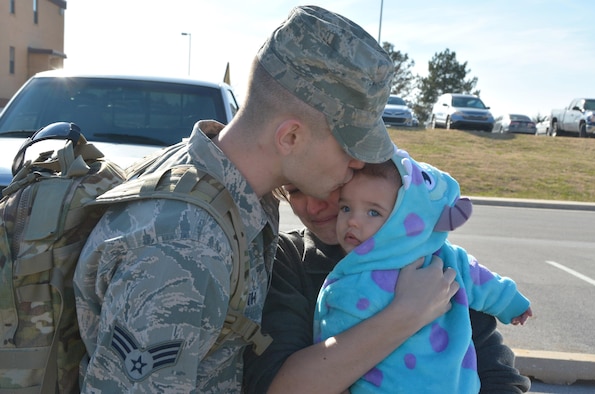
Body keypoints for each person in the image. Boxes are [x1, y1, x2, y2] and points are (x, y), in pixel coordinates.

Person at [73, 5, 402, 392]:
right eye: (350, 144)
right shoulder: (183, 248)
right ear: (290, 138)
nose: (358, 161)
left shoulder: (224, 184)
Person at [243, 170, 532, 394]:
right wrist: (407, 313)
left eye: (330, 185)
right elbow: (276, 385)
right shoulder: (287, 257)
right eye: (295, 190)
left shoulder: (427, 255)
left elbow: (500, 376)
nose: (315, 206)